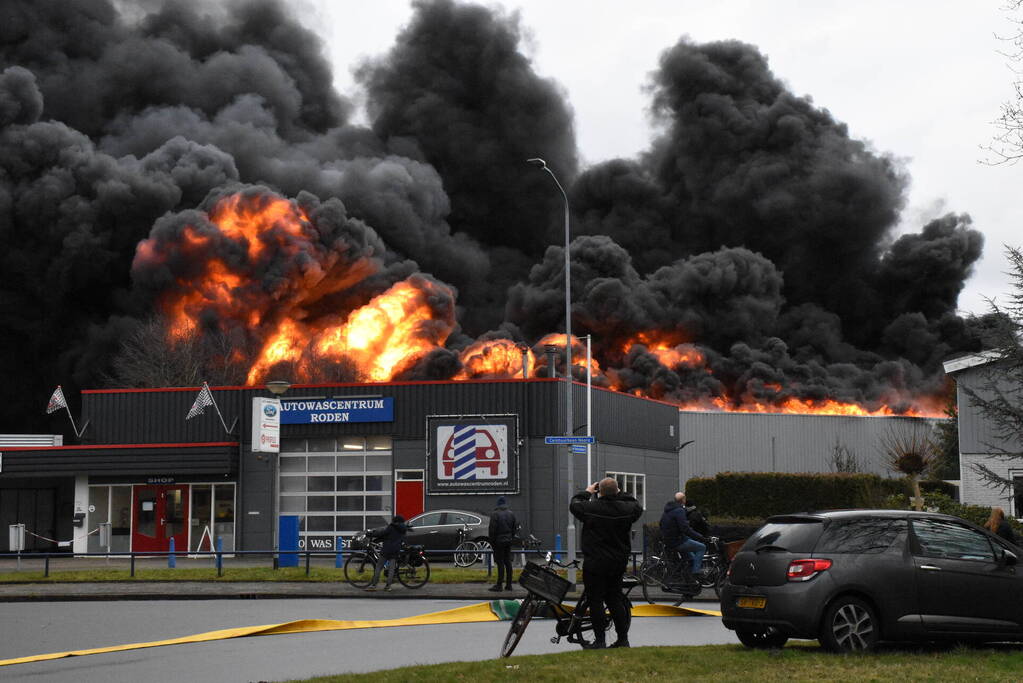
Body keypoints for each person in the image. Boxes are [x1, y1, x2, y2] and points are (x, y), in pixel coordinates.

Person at [570, 477, 644, 649]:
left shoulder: (590, 508)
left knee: (595, 600)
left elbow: (575, 503)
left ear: (599, 492)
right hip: (617, 562)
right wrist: (619, 493)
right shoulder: (627, 509)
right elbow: (636, 504)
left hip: (595, 561)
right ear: (617, 491)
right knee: (615, 599)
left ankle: (600, 640)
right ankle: (623, 639)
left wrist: (588, 492)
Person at [660, 491, 707, 583]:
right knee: (702, 547)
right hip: (677, 541)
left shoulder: (667, 510)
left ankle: (687, 582)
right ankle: (696, 573)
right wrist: (701, 537)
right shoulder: (679, 511)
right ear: (683, 500)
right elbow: (685, 528)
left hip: (669, 541)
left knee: (691, 559)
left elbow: (661, 524)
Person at [366, 514, 407, 591]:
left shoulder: (391, 527)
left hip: (387, 550)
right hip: (395, 550)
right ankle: (388, 587)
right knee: (391, 569)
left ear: (395, 521)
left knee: (378, 567)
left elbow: (382, 533)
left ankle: (373, 585)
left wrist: (371, 534)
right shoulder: (403, 529)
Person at [488, 496, 518, 592]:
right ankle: (509, 585)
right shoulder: (511, 514)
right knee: (508, 562)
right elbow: (514, 529)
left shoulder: (495, 514)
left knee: (500, 563)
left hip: (498, 542)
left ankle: (499, 585)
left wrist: (492, 542)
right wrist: (511, 538)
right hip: (508, 541)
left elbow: (492, 530)